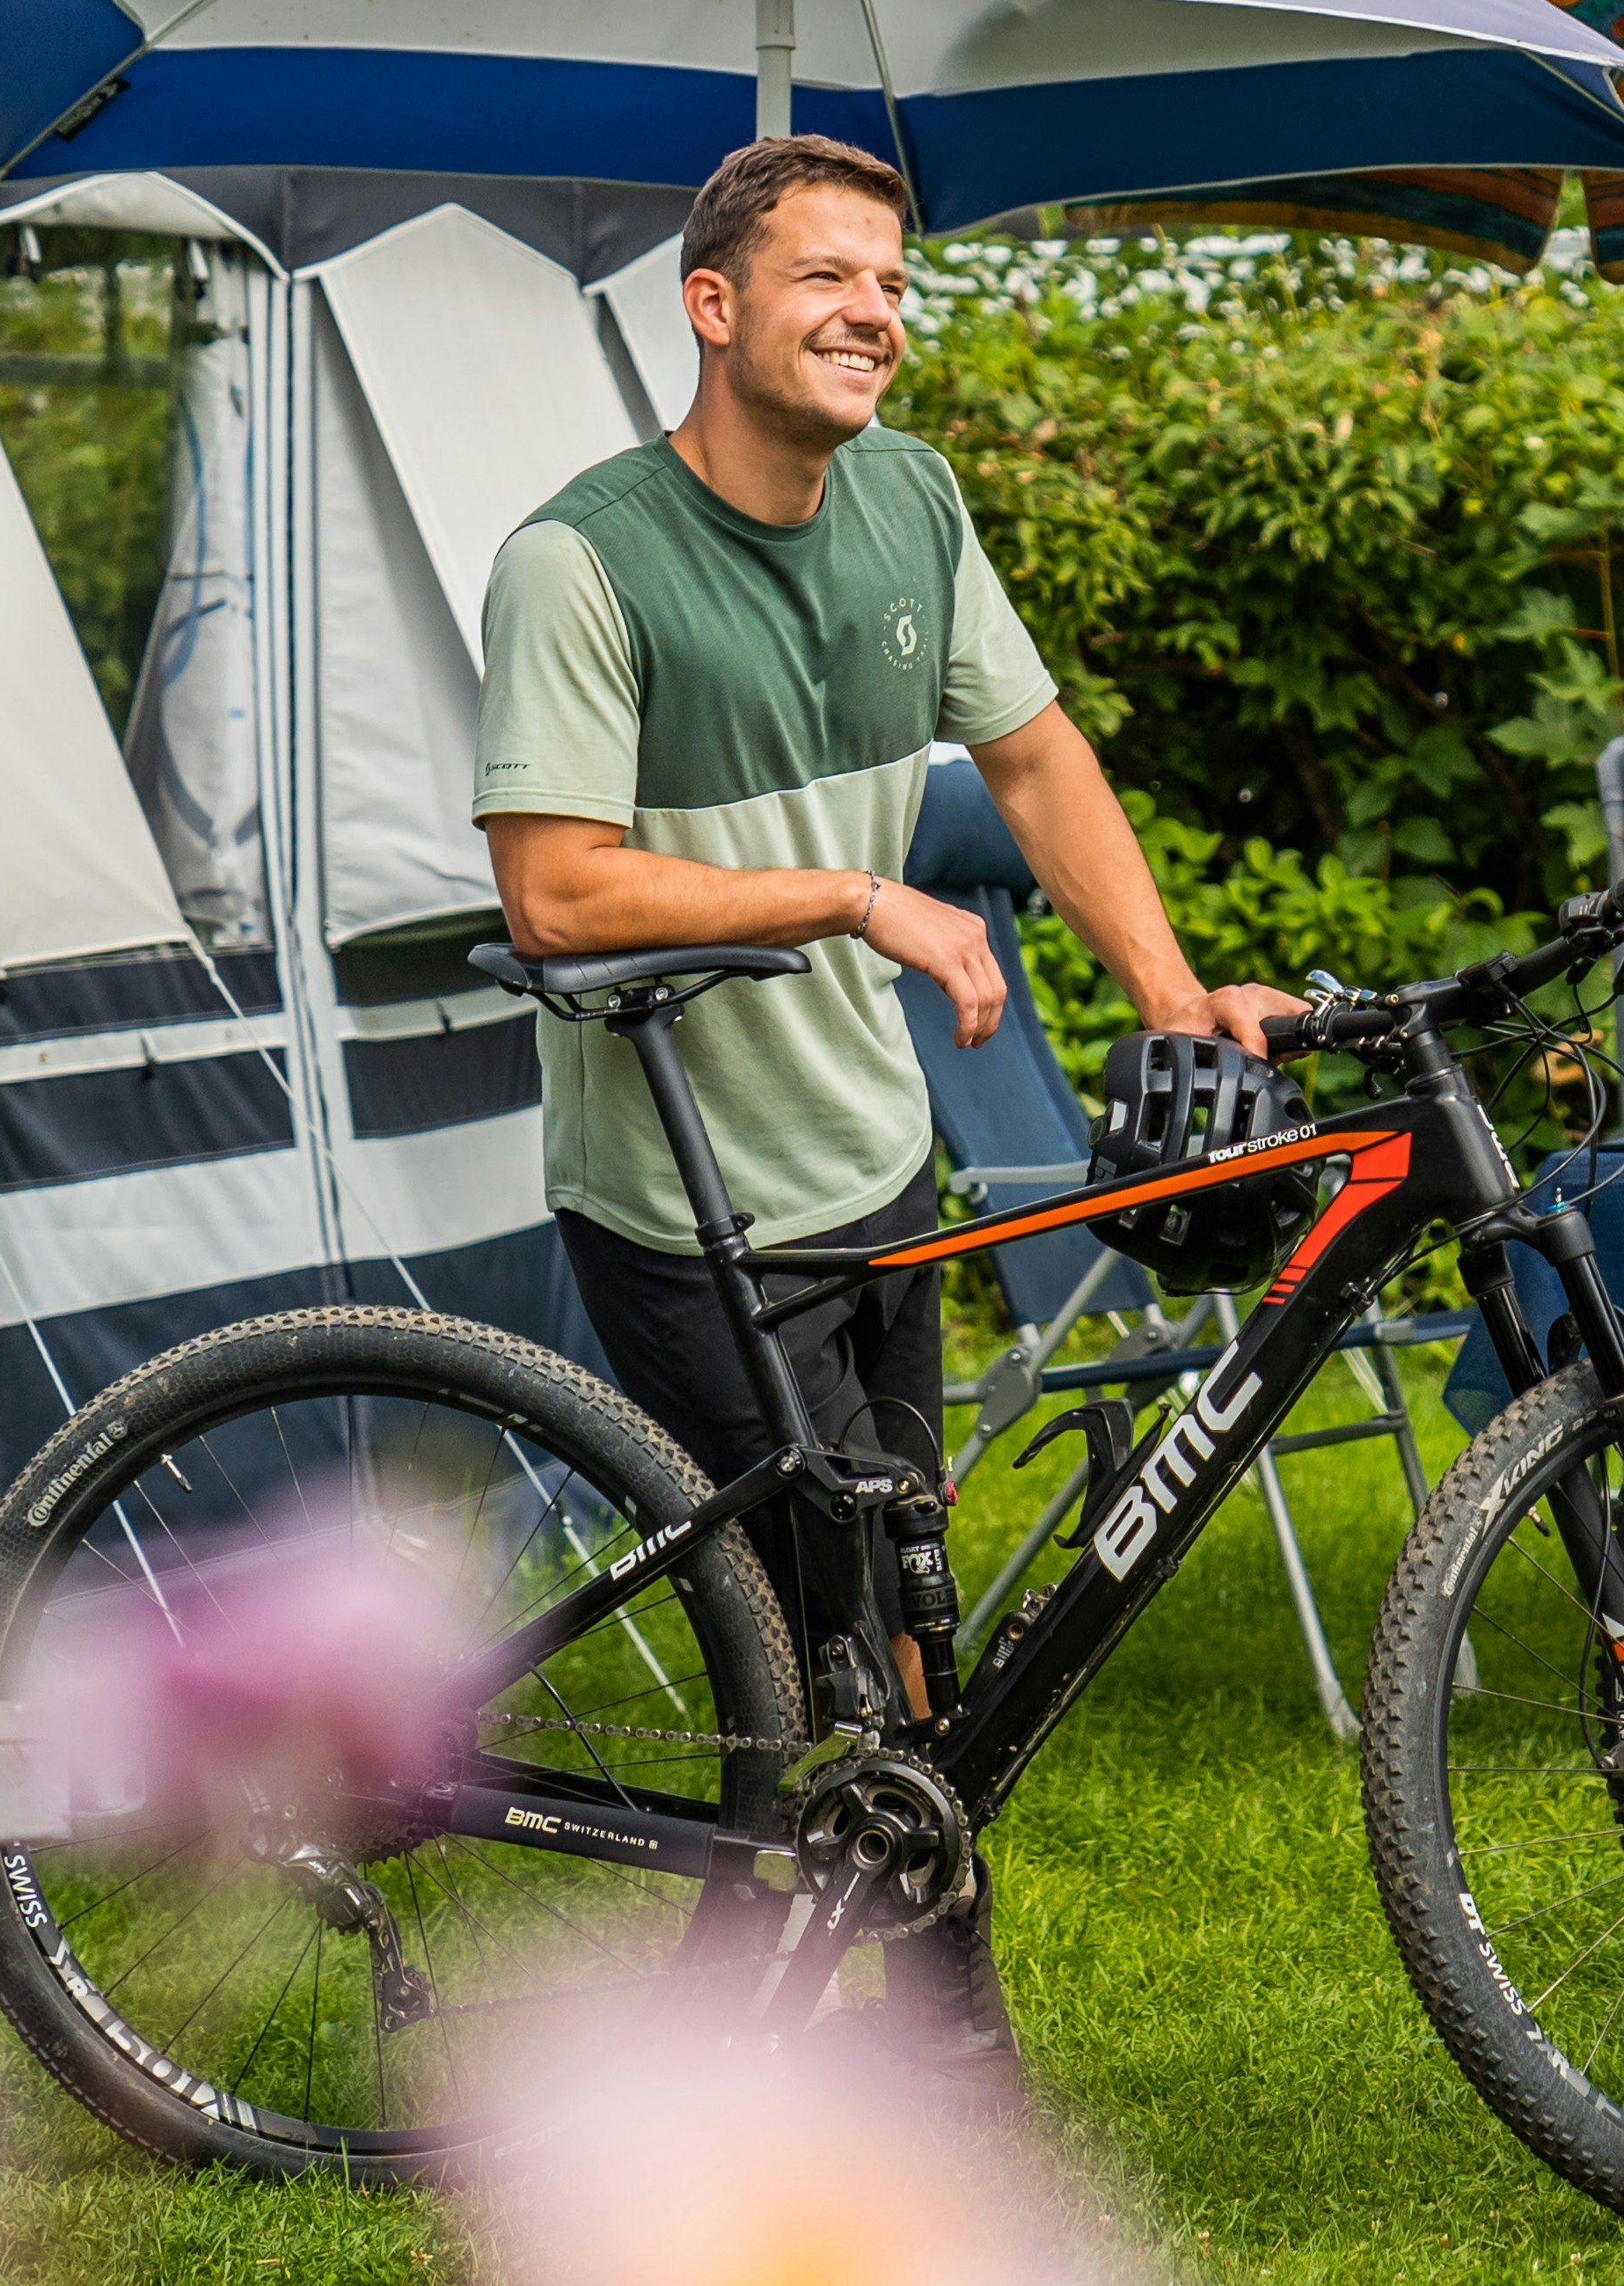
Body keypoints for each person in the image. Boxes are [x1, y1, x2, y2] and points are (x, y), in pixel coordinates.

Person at [472, 135, 1287, 2040]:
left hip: (873, 1163)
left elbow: (1034, 756)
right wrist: (853, 891)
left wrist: (1167, 992)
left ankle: (825, 2037)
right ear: (713, 306)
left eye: (896, 285)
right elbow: (555, 883)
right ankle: (909, 2055)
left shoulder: (907, 506)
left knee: (894, 1629)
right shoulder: (579, 561)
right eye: (831, 277)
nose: (874, 316)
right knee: (831, 1653)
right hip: (686, 1197)